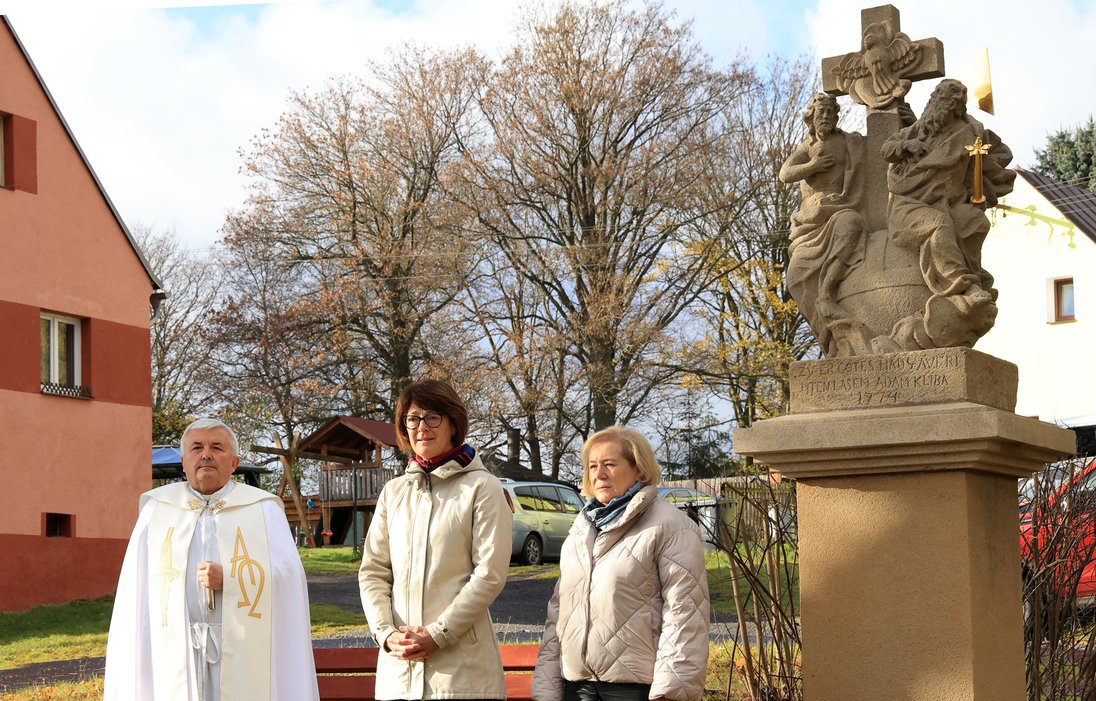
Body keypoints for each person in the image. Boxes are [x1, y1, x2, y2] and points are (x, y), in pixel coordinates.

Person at [103, 418, 319, 701]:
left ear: (234, 462)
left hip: (242, 646)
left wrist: (231, 580)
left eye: (216, 447)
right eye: (197, 448)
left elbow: (289, 578)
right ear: (183, 462)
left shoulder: (264, 510)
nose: (206, 454)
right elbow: (136, 587)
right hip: (173, 645)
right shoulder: (157, 510)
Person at [359, 379, 513, 699]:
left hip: (461, 677)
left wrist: (438, 633)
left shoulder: (482, 488)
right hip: (398, 674)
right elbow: (373, 572)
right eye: (412, 418)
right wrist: (385, 634)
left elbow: (489, 574)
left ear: (453, 424)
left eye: (432, 417)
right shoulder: (393, 493)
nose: (421, 427)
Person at [532, 426, 710, 701]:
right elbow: (558, 614)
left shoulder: (671, 525)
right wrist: (546, 688)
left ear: (639, 469)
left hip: (636, 689)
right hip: (577, 687)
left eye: (610, 464)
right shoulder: (581, 529)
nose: (599, 474)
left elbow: (685, 612)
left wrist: (670, 691)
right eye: (593, 466)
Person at [882, 78, 1015, 345]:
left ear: (957, 109)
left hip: (948, 203)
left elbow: (988, 163)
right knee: (938, 224)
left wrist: (981, 176)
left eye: (951, 105)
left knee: (975, 222)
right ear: (933, 101)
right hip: (908, 205)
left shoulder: (967, 132)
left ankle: (976, 280)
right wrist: (907, 145)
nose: (943, 108)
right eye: (940, 100)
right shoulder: (915, 130)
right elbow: (887, 149)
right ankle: (963, 286)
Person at [779, 92, 870, 356]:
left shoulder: (849, 142)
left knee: (851, 223)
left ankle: (827, 294)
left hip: (840, 208)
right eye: (821, 112)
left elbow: (881, 145)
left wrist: (906, 120)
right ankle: (826, 334)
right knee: (795, 277)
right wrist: (813, 165)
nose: (827, 117)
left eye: (831, 112)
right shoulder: (806, 148)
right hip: (809, 221)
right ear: (811, 117)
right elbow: (785, 174)